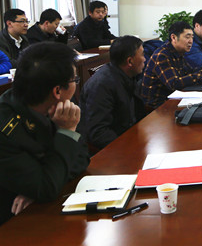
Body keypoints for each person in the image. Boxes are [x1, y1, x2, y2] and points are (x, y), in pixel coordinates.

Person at [0, 43, 89, 225]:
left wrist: (38, 186)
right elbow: (46, 187)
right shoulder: (6, 126)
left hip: (43, 209)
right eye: (74, 79)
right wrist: (67, 132)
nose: (76, 83)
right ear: (57, 91)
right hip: (13, 222)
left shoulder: (53, 107)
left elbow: (82, 158)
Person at [79, 36, 147, 150]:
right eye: (142, 55)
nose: (145, 59)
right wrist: (128, 149)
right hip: (111, 148)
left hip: (128, 136)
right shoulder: (102, 85)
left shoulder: (127, 76)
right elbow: (98, 132)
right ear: (130, 61)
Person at [141, 21, 202, 109]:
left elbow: (189, 71)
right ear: (173, 37)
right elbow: (174, 83)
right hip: (158, 108)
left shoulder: (178, 52)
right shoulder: (162, 55)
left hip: (173, 100)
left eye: (192, 37)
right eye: (187, 37)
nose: (191, 41)